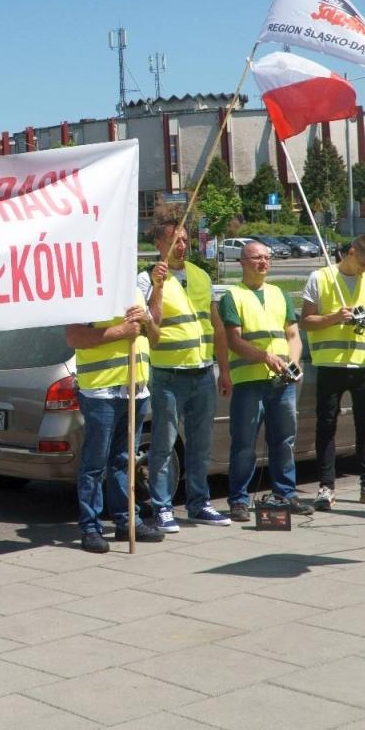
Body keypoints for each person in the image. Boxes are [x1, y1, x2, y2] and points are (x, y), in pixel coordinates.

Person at [139, 209, 230, 531]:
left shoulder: (201, 276)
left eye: (186, 241)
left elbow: (216, 326)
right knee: (163, 445)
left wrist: (225, 370)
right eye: (176, 241)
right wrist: (158, 286)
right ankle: (163, 507)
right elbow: (153, 326)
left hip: (203, 373)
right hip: (168, 375)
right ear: (160, 243)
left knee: (201, 443)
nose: (183, 246)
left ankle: (199, 503)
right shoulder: (146, 277)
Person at [217, 241, 313, 522]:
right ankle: (239, 500)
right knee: (244, 443)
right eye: (257, 258)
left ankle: (286, 493)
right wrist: (263, 356)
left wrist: (294, 362)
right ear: (243, 263)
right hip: (249, 381)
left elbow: (293, 335)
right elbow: (233, 339)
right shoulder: (233, 296)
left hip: (281, 382)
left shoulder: (279, 294)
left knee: (283, 440)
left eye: (267, 258)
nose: (263, 262)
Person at [300, 234, 365, 509]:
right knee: (326, 425)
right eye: (364, 263)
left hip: (364, 363)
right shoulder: (320, 278)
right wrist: (332, 318)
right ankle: (326, 487)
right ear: (351, 252)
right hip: (330, 364)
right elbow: (306, 321)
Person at [66, 288, 162, 553]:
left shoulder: (135, 290)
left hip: (136, 389)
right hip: (101, 391)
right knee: (95, 463)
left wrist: (147, 321)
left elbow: (155, 339)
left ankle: (127, 521)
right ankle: (91, 527)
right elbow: (74, 337)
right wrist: (123, 331)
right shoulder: (89, 292)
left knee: (125, 460)